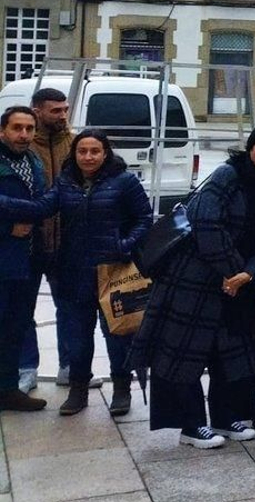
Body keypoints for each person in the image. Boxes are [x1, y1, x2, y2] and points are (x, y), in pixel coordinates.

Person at [132, 114, 255, 448]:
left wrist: (247, 274)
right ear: (251, 148)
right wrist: (232, 271)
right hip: (195, 278)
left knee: (230, 354)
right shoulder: (227, 176)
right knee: (185, 355)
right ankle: (190, 425)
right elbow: (206, 224)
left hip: (238, 283)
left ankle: (225, 417)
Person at [42, 131, 153, 417]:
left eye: (94, 151)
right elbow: (43, 207)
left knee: (117, 335)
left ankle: (121, 388)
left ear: (106, 153)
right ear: (75, 154)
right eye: (82, 151)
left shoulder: (124, 181)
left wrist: (125, 245)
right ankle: (77, 390)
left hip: (113, 271)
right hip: (74, 271)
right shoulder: (66, 181)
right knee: (77, 337)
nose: (88, 157)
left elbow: (144, 218)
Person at [0, 108, 48, 411]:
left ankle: (7, 389)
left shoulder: (33, 161)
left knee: (15, 326)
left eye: (29, 129)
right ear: (3, 130)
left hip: (28, 261)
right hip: (4, 257)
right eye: (17, 128)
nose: (24, 135)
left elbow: (43, 203)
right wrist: (8, 226)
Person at [29, 87, 71, 390]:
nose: (62, 116)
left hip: (66, 243)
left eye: (64, 109)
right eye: (55, 110)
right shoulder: (23, 145)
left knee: (68, 308)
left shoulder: (75, 143)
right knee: (20, 310)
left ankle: (69, 366)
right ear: (37, 111)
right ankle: (25, 368)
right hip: (28, 243)